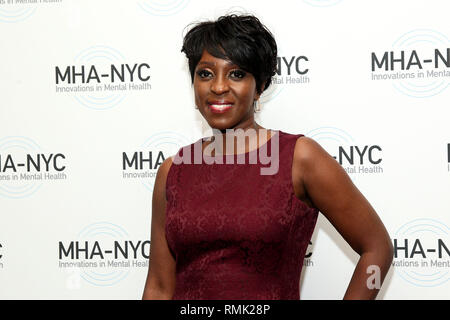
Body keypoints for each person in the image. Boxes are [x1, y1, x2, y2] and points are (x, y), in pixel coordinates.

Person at [142, 14, 393, 300]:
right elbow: (159, 287)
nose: (219, 87)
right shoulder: (173, 171)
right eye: (205, 73)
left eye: (237, 74)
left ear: (260, 86)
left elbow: (377, 249)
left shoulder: (299, 158)